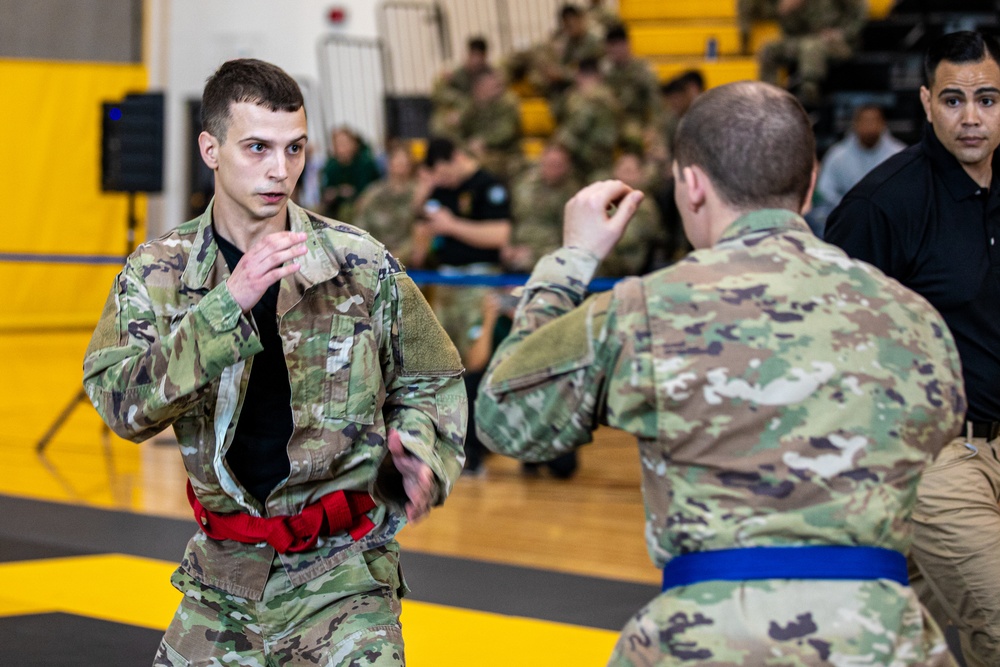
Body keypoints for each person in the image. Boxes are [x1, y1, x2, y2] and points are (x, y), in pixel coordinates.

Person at [476, 80, 966, 665]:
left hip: (708, 639)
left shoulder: (646, 310)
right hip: (885, 641)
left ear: (691, 185)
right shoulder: (916, 320)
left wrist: (570, 262)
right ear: (810, 184)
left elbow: (505, 418)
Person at [81, 58, 467, 666]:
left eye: (295, 149)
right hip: (222, 578)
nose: (280, 170)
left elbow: (430, 377)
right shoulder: (160, 272)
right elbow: (120, 406)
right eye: (257, 147)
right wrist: (224, 307)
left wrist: (419, 448)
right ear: (210, 148)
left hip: (344, 576)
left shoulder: (358, 263)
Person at [825, 31, 1000, 667]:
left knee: (895, 643)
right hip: (936, 457)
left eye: (988, 99)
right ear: (926, 103)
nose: (972, 116)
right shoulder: (882, 204)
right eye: (954, 99)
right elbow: (836, 344)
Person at [413, 137, 512, 475]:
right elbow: (419, 240)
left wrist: (451, 225)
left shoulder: (489, 186)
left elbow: (500, 235)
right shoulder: (439, 188)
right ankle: (447, 442)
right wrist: (422, 200)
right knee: (443, 365)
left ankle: (478, 446)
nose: (443, 182)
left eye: (443, 173)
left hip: (478, 282)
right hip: (445, 283)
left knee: (475, 362)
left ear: (456, 158)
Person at [809, 103, 906, 235]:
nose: (869, 126)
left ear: (883, 123)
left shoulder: (900, 154)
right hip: (845, 215)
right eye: (865, 121)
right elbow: (825, 191)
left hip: (888, 216)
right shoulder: (837, 155)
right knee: (818, 215)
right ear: (855, 123)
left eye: (874, 121)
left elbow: (907, 192)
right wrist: (849, 208)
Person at [757, 0, 867, 106]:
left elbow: (859, 13)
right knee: (769, 49)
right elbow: (791, 31)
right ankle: (768, 96)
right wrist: (787, 12)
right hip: (805, 40)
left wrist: (841, 33)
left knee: (811, 47)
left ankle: (809, 93)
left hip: (838, 43)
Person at [503, 141, 581, 273]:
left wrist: (535, 255)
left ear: (568, 166)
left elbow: (571, 240)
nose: (552, 169)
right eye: (548, 163)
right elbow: (513, 219)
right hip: (518, 250)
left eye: (558, 165)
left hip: (551, 256)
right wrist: (508, 246)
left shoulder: (573, 196)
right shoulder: (524, 184)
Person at [554, 57, 620, 181]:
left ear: (579, 76)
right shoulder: (608, 95)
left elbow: (577, 126)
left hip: (589, 157)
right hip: (599, 155)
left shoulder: (591, 97)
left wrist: (558, 143)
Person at [352, 140, 419, 261]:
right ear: (389, 164)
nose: (400, 165)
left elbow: (420, 229)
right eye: (396, 161)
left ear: (410, 165)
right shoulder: (373, 192)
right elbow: (360, 223)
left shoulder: (418, 192)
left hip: (406, 256)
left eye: (404, 162)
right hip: (374, 254)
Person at [602, 24, 663, 151]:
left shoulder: (642, 69)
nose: (615, 51)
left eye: (618, 46)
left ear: (627, 45)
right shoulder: (605, 71)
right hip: (608, 120)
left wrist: (653, 127)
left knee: (632, 135)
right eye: (611, 47)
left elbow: (656, 101)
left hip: (634, 119)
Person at [458, 69, 523, 185]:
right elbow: (462, 127)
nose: (496, 88)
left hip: (506, 153)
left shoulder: (507, 103)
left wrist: (484, 141)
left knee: (478, 167)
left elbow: (507, 131)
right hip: (478, 152)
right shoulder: (473, 105)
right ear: (479, 88)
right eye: (490, 85)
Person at [430, 36, 493, 141]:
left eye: (479, 56)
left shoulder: (490, 75)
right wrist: (458, 103)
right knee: (443, 122)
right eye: (473, 55)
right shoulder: (454, 73)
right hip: (458, 111)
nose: (475, 61)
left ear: (484, 56)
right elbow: (438, 94)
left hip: (479, 114)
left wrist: (463, 112)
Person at [320, 125, 381, 222]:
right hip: (335, 208)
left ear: (354, 143)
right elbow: (326, 191)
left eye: (345, 143)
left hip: (364, 205)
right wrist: (337, 192)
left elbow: (370, 188)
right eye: (338, 144)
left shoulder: (365, 163)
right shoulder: (331, 165)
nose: (342, 148)